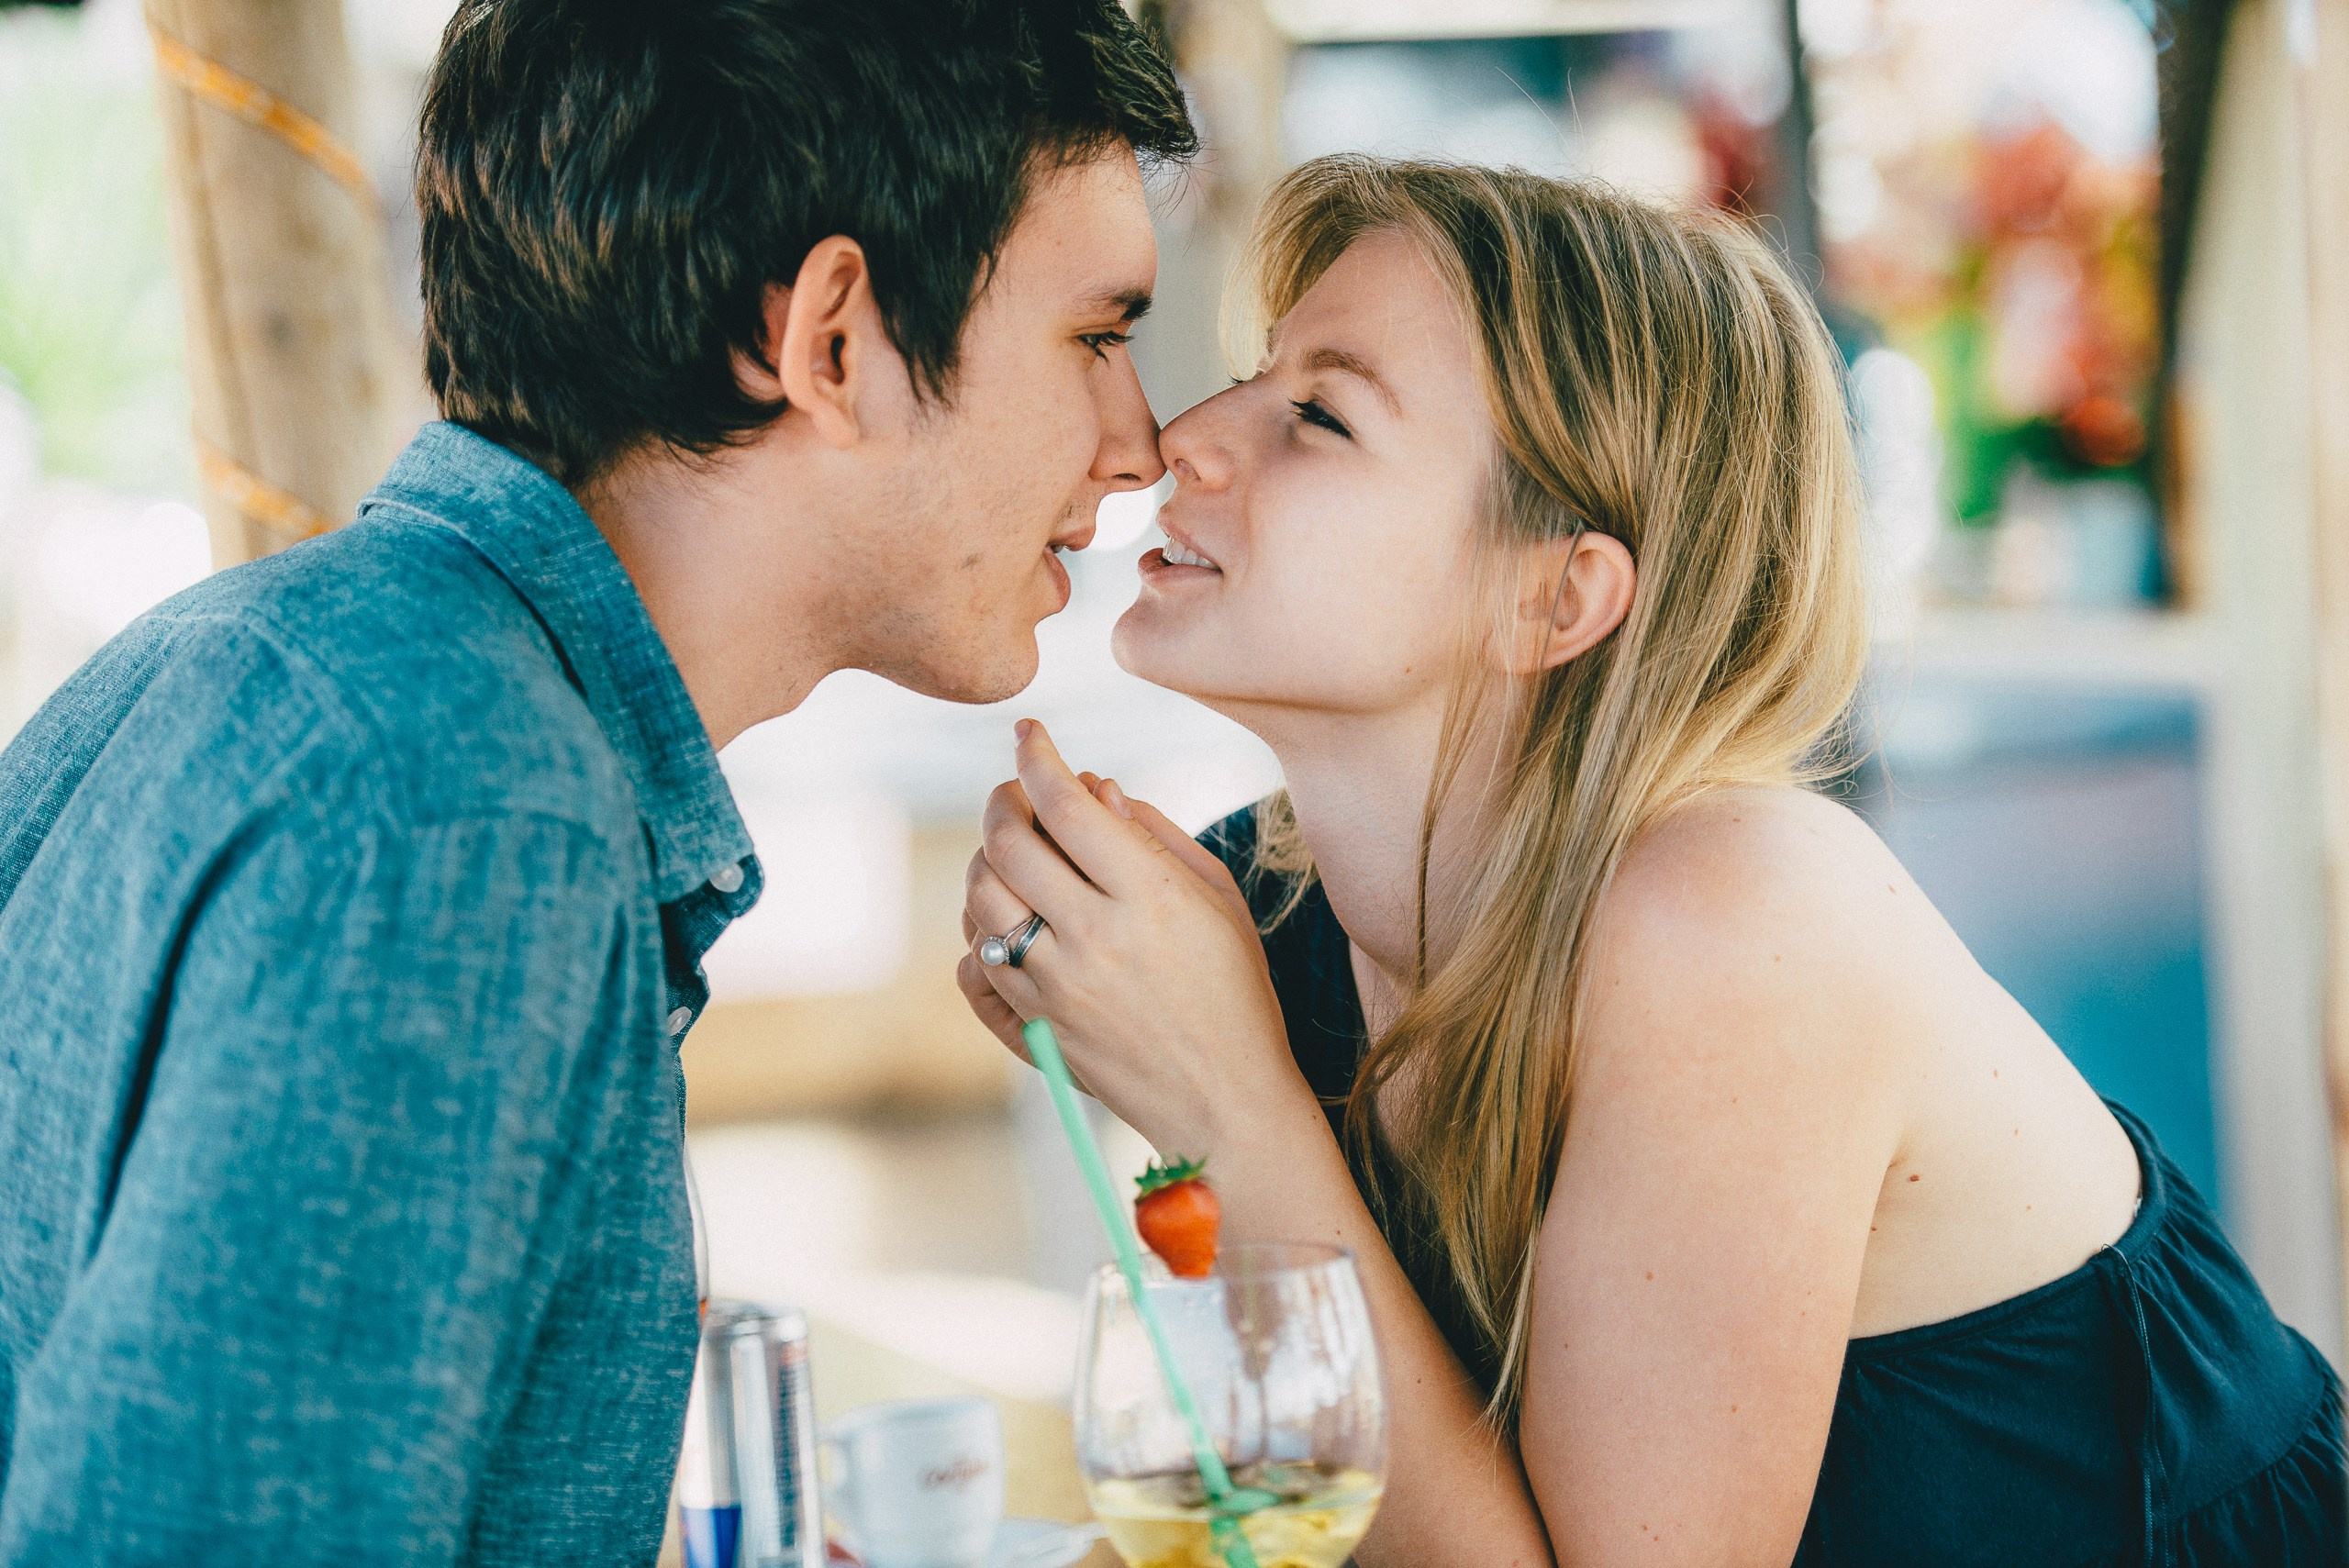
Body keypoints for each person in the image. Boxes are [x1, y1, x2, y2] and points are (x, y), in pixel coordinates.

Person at [961, 156, 2346, 1566]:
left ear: (1554, 593)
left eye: (1319, 413)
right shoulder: (1265, 908)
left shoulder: (1739, 920)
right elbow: (1286, 1495)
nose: (1184, 435)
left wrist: (1228, 1098)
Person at [0, 1, 1190, 1561]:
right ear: (832, 340)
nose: (1140, 442)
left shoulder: (280, 659)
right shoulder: (470, 815)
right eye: (1097, 336)